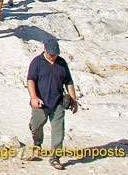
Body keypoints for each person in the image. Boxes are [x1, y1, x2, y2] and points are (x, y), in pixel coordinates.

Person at [26, 38, 78, 170]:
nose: (53, 56)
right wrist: (33, 97)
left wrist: (73, 100)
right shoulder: (36, 62)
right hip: (40, 103)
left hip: (58, 103)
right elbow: (30, 80)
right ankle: (37, 144)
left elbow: (69, 81)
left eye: (55, 53)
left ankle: (55, 157)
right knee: (35, 126)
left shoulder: (62, 63)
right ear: (44, 49)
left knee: (58, 131)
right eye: (51, 53)